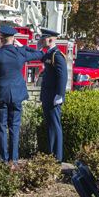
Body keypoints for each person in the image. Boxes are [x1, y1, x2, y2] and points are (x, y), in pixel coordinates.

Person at [0, 26, 44, 162]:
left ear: (1, 39)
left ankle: (3, 160)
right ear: (13, 39)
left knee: (0, 127)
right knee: (14, 127)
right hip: (17, 94)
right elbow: (40, 54)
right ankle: (14, 160)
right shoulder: (20, 52)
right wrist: (24, 46)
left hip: (0, 95)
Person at [37, 28, 68, 162]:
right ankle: (52, 155)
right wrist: (38, 49)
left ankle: (57, 157)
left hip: (53, 96)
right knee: (51, 126)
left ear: (50, 40)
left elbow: (63, 75)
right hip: (48, 96)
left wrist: (60, 94)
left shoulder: (57, 55)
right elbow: (41, 58)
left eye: (43, 39)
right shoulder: (50, 54)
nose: (41, 41)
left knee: (55, 126)